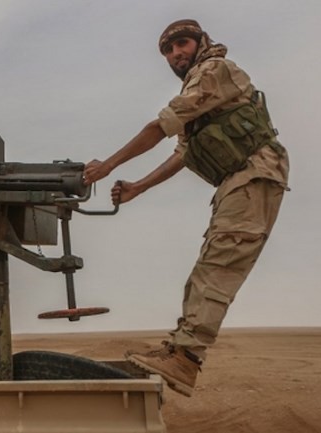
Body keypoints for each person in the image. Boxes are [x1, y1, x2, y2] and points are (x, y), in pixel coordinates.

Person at [83, 19, 289, 397]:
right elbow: (183, 154)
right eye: (168, 50)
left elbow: (159, 127)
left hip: (253, 175)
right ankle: (181, 351)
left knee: (218, 266)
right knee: (206, 269)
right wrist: (139, 187)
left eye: (182, 44)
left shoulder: (214, 71)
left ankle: (186, 358)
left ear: (201, 42)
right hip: (239, 180)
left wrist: (108, 165)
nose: (176, 53)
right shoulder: (199, 88)